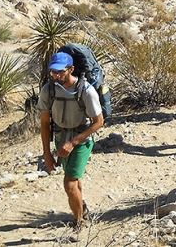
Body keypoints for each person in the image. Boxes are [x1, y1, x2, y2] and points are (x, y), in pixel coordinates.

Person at [38, 51, 104, 232]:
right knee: (75, 181)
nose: (57, 76)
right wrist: (46, 153)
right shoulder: (48, 90)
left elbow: (98, 122)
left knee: (69, 183)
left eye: (61, 72)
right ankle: (82, 208)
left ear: (71, 69)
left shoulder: (86, 91)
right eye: (53, 72)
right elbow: (45, 123)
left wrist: (73, 142)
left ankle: (79, 222)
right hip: (60, 140)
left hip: (81, 142)